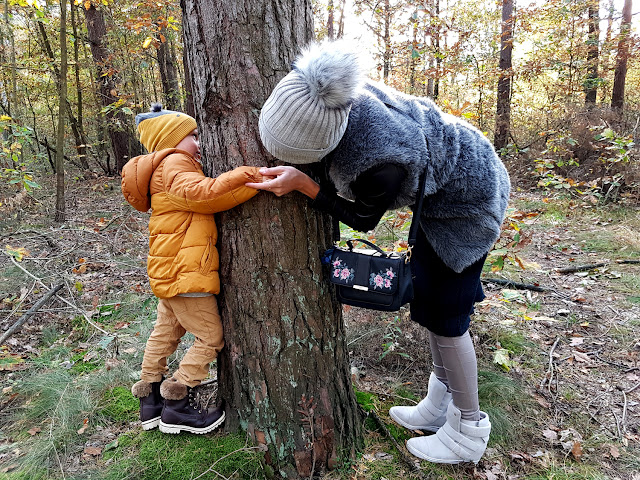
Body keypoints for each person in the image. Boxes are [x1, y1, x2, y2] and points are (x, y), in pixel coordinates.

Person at [247, 41, 510, 464]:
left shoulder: (377, 163)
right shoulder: (323, 97)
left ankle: (467, 431)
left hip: (469, 205)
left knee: (448, 316)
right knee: (429, 305)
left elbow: (365, 221)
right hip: (442, 195)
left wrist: (305, 185)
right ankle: (438, 405)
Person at [121, 103, 262, 434]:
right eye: (193, 135)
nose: (200, 142)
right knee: (211, 337)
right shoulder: (175, 162)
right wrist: (248, 174)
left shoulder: (161, 168)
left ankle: (151, 401)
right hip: (186, 272)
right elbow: (202, 192)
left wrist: (250, 187)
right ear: (172, 138)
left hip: (168, 270)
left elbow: (206, 202)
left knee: (165, 333)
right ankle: (177, 403)